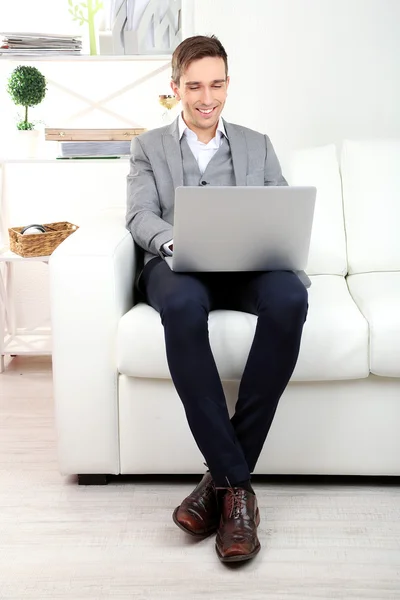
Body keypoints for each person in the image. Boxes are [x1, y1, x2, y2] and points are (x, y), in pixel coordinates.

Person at [126, 35, 308, 563]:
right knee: (181, 307)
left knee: (291, 297)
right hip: (179, 268)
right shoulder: (148, 147)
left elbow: (283, 205)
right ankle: (240, 493)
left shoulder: (257, 143)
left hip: (247, 265)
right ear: (175, 86)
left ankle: (220, 484)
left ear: (228, 82)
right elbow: (140, 216)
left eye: (217, 84)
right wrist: (176, 242)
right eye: (195, 86)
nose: (207, 98)